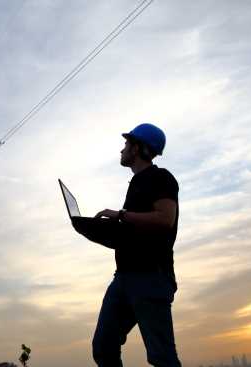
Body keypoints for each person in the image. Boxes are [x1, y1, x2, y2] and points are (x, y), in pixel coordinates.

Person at [76, 123, 181, 367]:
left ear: (138, 148)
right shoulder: (136, 183)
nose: (122, 149)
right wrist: (96, 230)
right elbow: (135, 232)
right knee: (103, 347)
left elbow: (165, 220)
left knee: (161, 356)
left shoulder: (161, 178)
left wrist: (120, 215)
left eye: (126, 144)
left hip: (151, 276)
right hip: (124, 277)